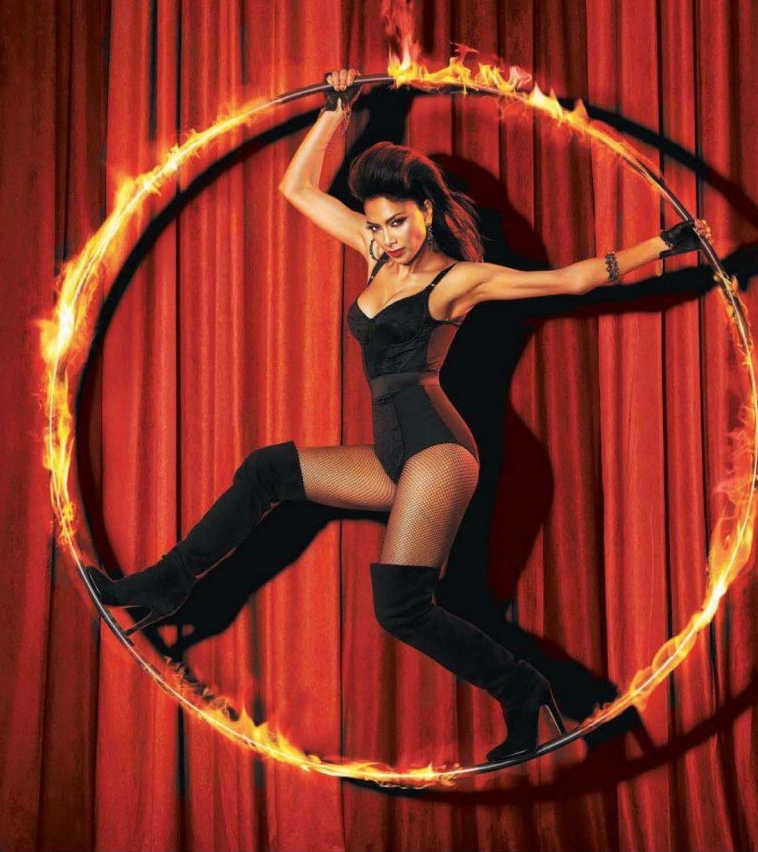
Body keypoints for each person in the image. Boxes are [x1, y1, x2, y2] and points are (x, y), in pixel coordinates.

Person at [89, 67, 708, 764]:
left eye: (399, 222)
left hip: (440, 452)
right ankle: (169, 583)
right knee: (267, 472)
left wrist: (663, 245)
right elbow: (297, 190)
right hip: (393, 454)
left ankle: (523, 690)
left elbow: (569, 279)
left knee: (401, 608)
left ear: (428, 212)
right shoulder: (375, 252)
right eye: (379, 224)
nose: (388, 237)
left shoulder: (456, 280)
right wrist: (334, 110)